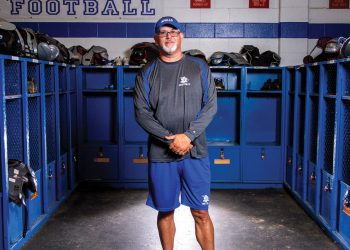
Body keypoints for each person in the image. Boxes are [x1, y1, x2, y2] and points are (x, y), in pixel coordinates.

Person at [133, 16, 217, 250]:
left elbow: (210, 105)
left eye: (173, 31)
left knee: (201, 212)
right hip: (162, 156)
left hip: (195, 152)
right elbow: (142, 113)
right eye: (163, 32)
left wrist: (188, 136)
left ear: (181, 36)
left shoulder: (199, 67)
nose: (168, 36)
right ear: (156, 38)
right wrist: (170, 139)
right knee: (165, 211)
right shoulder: (146, 73)